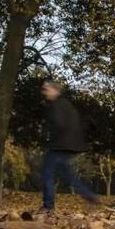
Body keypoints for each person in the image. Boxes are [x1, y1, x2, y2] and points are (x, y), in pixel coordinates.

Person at [39, 80, 98, 212]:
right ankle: (90, 196)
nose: (45, 92)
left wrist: (50, 140)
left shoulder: (57, 105)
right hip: (70, 146)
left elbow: (60, 125)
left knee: (47, 173)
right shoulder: (67, 105)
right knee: (67, 175)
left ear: (55, 90)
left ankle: (48, 206)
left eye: (47, 89)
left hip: (59, 145)